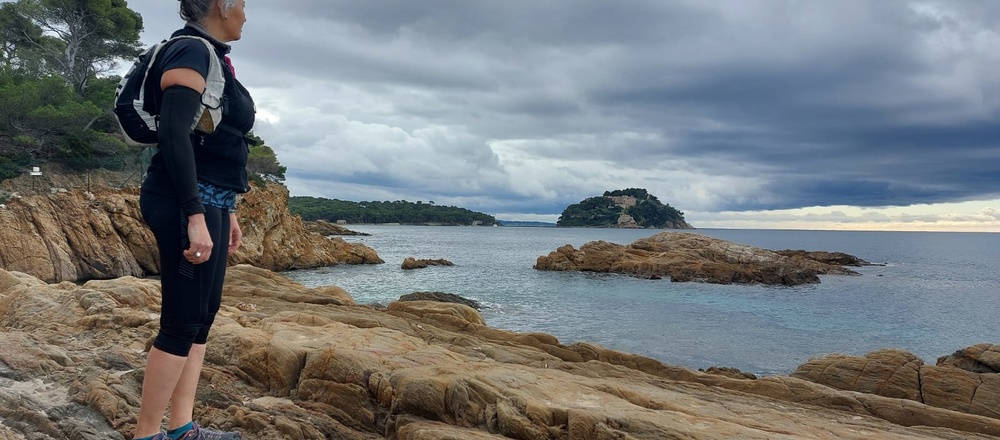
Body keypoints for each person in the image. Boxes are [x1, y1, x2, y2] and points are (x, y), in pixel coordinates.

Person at [132, 0, 253, 439]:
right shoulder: (191, 50)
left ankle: (182, 428)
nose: (245, 14)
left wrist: (228, 208)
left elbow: (215, 140)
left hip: (212, 200)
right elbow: (173, 134)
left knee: (203, 315)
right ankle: (147, 435)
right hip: (184, 199)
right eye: (242, 5)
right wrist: (195, 214)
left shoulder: (214, 57)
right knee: (181, 320)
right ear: (222, 5)